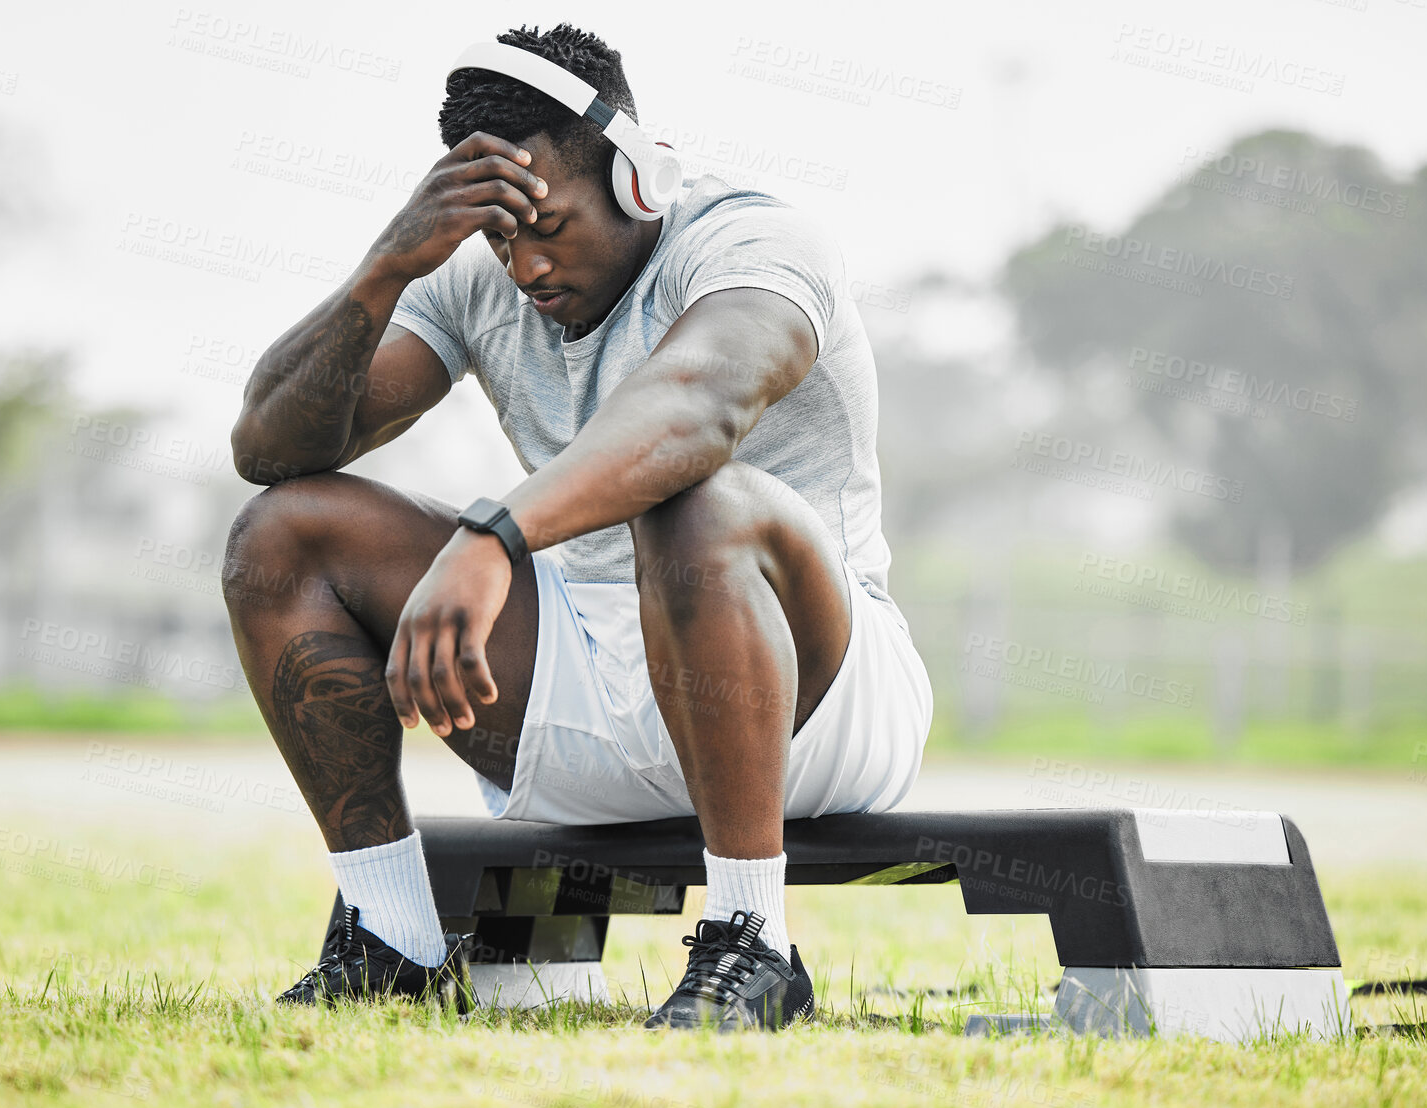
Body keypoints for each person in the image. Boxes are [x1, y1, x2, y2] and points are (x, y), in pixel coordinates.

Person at [223, 22, 932, 1031]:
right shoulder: (483, 278)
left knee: (696, 500)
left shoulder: (755, 244)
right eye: (498, 235)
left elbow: (695, 414)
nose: (521, 266)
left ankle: (753, 943)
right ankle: (392, 936)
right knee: (282, 533)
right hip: (586, 703)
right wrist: (387, 267)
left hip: (819, 706)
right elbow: (267, 444)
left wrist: (491, 536)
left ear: (638, 177)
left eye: (545, 226)